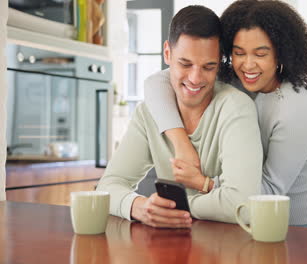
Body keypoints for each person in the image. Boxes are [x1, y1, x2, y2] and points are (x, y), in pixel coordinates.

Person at [144, 0, 307, 229]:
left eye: (260, 54)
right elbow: (156, 83)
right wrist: (181, 142)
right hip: (255, 219)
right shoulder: (236, 81)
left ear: (280, 54)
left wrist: (204, 183)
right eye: (239, 53)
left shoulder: (296, 107)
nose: (248, 65)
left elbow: (269, 190)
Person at [96, 5, 263, 228]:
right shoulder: (149, 113)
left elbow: (242, 204)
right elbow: (109, 184)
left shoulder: (236, 109)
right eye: (185, 64)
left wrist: (174, 209)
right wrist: (140, 206)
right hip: (172, 247)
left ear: (220, 62)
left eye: (208, 67)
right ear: (167, 53)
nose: (195, 78)